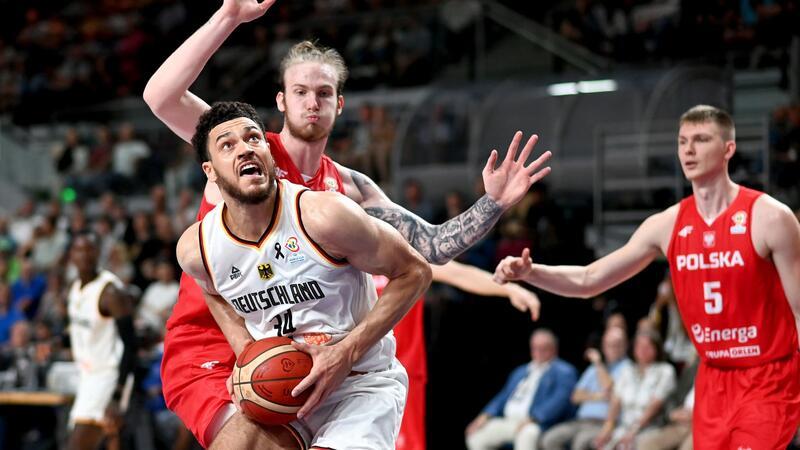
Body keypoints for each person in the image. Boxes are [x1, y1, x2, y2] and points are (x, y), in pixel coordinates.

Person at [143, 1, 550, 448]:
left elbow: (428, 250)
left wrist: (491, 203)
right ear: (280, 101)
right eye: (300, 91)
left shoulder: (349, 191)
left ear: (339, 104)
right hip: (215, 340)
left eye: (322, 93)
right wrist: (229, 17)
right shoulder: (248, 151)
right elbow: (161, 97)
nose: (311, 103)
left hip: (297, 348)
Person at [495, 104, 800, 449]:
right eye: (682, 141)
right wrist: (532, 272)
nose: (688, 149)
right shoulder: (666, 224)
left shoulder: (770, 218)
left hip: (768, 376)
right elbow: (589, 279)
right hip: (713, 377)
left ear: (728, 149)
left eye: (701, 139)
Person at [178, 101, 432, 448]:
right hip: (286, 386)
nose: (245, 149)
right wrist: (245, 349)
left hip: (358, 382)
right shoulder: (197, 249)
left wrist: (345, 353)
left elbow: (415, 271)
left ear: (269, 151)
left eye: (253, 138)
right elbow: (212, 291)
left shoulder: (324, 215)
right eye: (228, 144)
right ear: (210, 171)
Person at [65, 233, 136, 450]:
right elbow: (80, 330)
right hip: (86, 375)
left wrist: (117, 394)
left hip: (108, 377)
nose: (85, 254)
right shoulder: (76, 288)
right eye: (80, 249)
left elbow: (131, 344)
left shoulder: (111, 292)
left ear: (98, 253)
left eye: (90, 249)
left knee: (78, 445)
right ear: (71, 255)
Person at [465, 329, 577, 450]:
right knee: (477, 435)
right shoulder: (521, 371)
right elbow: (503, 396)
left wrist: (534, 418)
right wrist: (485, 415)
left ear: (554, 349)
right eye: (535, 347)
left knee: (528, 434)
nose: (538, 351)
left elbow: (560, 400)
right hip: (509, 421)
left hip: (536, 423)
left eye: (543, 348)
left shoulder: (564, 371)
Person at [540, 326, 631, 450]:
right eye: (609, 344)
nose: (612, 348)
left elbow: (609, 388)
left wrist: (598, 364)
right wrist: (598, 396)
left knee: (580, 443)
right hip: (581, 420)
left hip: (603, 423)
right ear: (603, 345)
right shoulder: (592, 369)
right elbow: (575, 396)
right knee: (549, 439)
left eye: (617, 344)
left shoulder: (627, 368)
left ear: (625, 346)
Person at [593, 330, 676, 449]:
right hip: (624, 426)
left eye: (648, 346)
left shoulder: (665, 371)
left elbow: (655, 406)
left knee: (629, 446)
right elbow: (616, 401)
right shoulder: (627, 369)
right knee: (602, 444)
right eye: (639, 346)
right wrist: (607, 427)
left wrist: (633, 430)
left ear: (657, 349)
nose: (643, 350)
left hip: (651, 427)